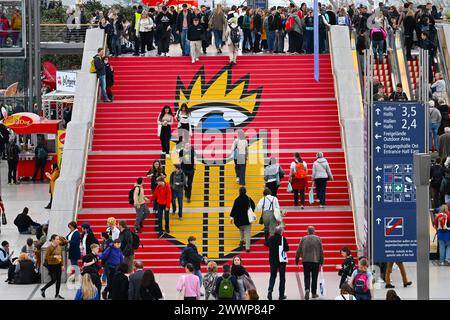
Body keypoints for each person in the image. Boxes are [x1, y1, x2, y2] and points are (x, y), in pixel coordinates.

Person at [295, 226, 324, 300]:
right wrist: (322, 261)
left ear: (307, 231)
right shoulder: (318, 238)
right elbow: (321, 251)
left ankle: (307, 289)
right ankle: (314, 293)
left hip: (306, 261)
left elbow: (298, 250)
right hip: (315, 261)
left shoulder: (303, 238)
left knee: (306, 276)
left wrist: (297, 260)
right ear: (314, 231)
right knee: (314, 277)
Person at [230, 187, 256, 252]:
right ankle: (247, 247)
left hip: (239, 219)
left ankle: (241, 241)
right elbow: (253, 206)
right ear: (245, 191)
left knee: (241, 230)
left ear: (239, 192)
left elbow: (234, 209)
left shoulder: (237, 200)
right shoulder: (248, 199)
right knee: (248, 233)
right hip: (247, 219)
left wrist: (231, 217)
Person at [267, 226, 289, 300]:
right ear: (281, 232)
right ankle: (281, 295)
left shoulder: (271, 238)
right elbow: (287, 249)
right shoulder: (283, 239)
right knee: (282, 278)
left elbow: (267, 244)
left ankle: (270, 290)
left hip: (272, 260)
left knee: (272, 276)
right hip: (281, 261)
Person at [41, 234, 64, 299]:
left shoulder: (59, 246)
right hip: (51, 265)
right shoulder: (49, 247)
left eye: (58, 239)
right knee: (53, 280)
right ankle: (43, 289)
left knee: (59, 280)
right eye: (57, 239)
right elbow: (47, 257)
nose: (58, 240)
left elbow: (61, 256)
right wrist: (54, 256)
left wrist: (62, 265)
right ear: (53, 240)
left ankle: (57, 294)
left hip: (58, 265)